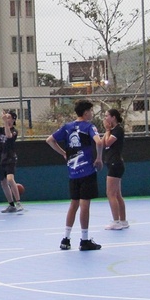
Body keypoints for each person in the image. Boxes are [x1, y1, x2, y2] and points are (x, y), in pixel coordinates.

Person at [47, 100, 104, 251]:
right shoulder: (89, 126)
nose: (92, 114)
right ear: (86, 112)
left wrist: (64, 153)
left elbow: (50, 140)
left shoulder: (68, 127)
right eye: (91, 111)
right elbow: (99, 142)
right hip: (87, 170)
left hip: (73, 171)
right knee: (85, 204)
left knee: (74, 204)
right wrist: (98, 158)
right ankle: (84, 240)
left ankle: (66, 238)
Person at [102, 109, 129, 230]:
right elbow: (103, 143)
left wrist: (107, 130)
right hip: (113, 163)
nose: (105, 118)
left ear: (113, 117)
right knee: (117, 194)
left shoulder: (117, 130)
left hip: (115, 164)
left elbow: (108, 143)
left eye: (107, 116)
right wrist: (107, 130)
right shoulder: (112, 131)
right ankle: (123, 220)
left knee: (111, 193)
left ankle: (116, 221)